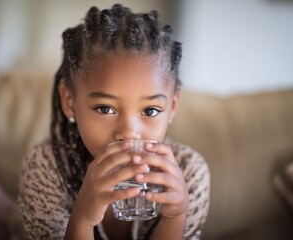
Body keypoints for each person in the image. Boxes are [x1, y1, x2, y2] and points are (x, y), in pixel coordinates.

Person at [18, 4, 210, 240]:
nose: (129, 132)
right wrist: (83, 219)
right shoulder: (47, 168)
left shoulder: (189, 174)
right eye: (105, 108)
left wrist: (176, 217)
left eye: (150, 110)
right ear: (70, 102)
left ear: (172, 107)